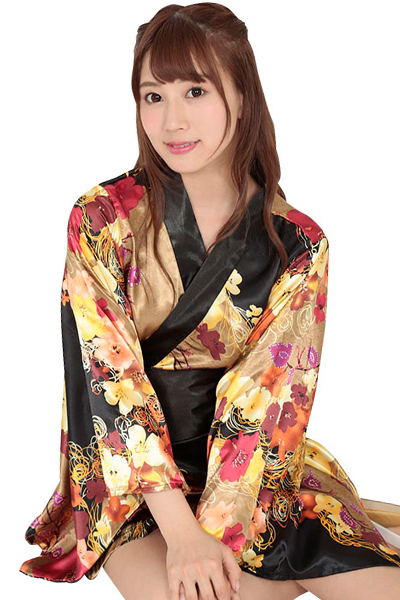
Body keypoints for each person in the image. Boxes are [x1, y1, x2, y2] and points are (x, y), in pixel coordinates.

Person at [20, 3, 400, 599]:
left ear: (242, 95)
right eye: (154, 96)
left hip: (253, 478)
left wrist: (216, 539)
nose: (173, 121)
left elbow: (267, 400)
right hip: (130, 485)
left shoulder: (298, 243)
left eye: (195, 91)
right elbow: (110, 382)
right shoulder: (101, 220)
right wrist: (183, 536)